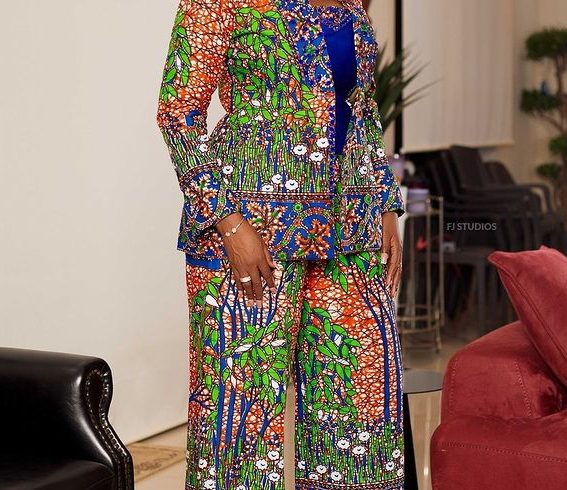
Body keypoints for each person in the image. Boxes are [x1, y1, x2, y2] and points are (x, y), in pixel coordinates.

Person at [156, 0, 405, 488]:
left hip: (349, 230)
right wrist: (229, 224)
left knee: (361, 406)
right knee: (241, 416)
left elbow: (362, 109)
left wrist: (386, 205)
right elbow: (177, 113)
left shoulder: (352, 5)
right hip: (251, 234)